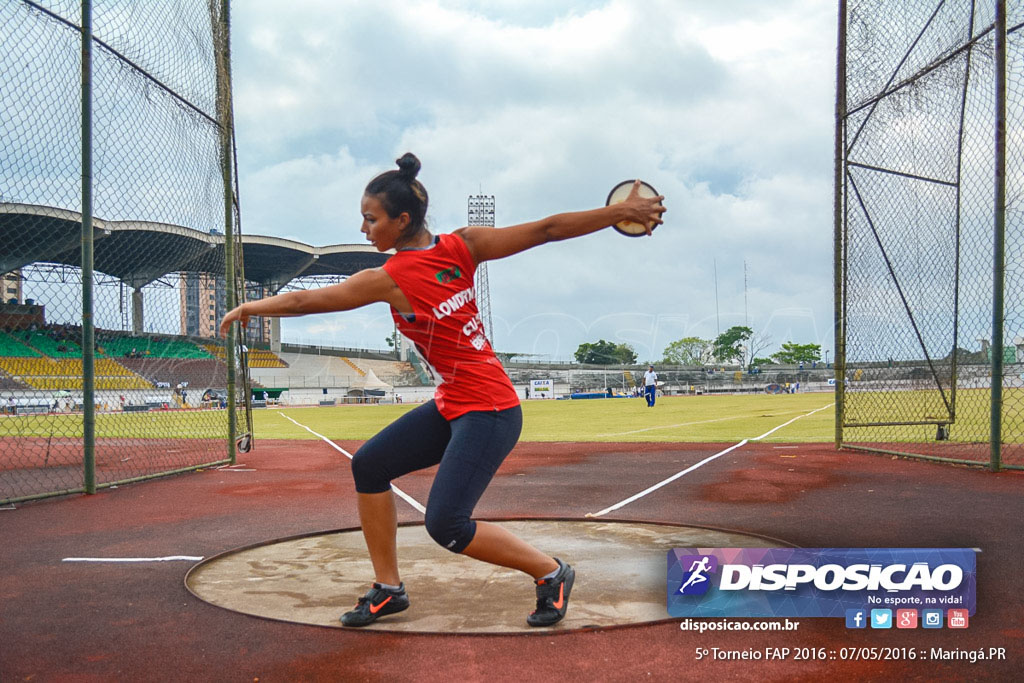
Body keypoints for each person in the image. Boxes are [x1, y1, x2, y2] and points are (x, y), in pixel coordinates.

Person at [218, 153, 664, 628]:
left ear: (402, 219)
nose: (365, 229)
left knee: (447, 525)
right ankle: (389, 590)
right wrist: (255, 307)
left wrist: (249, 307)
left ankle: (551, 572)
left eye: (371, 219)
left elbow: (548, 228)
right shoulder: (451, 250)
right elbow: (548, 229)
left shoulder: (412, 269)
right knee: (370, 464)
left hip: (491, 409)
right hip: (456, 402)